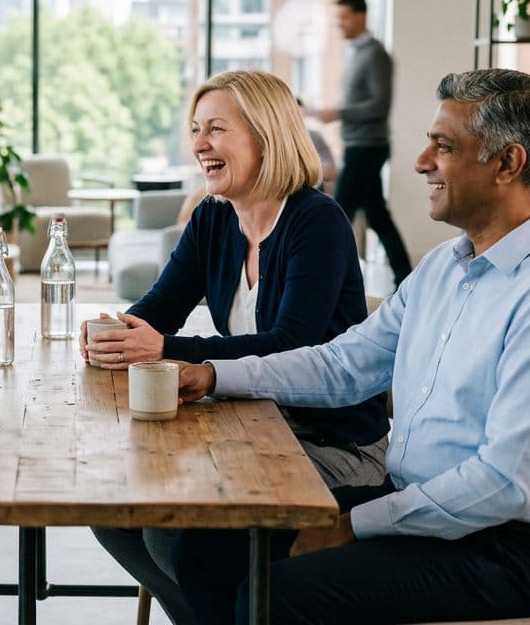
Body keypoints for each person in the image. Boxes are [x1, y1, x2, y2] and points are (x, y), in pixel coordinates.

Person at [171, 68, 530, 624]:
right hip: (416, 506)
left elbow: (505, 485)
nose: (420, 162)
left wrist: (353, 525)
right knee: (202, 548)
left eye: (444, 146)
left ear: (507, 163)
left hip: (500, 548)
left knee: (278, 593)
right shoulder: (445, 267)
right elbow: (343, 365)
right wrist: (213, 374)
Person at [80, 70, 389, 625]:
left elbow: (290, 344)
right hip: (250, 429)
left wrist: (163, 347)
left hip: (332, 446)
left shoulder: (317, 221)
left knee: (185, 542)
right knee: (119, 517)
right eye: (196, 129)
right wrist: (117, 331)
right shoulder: (213, 217)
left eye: (217, 129)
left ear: (266, 136)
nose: (199, 144)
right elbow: (158, 308)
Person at [307, 0, 413, 284]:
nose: (339, 25)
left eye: (343, 18)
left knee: (337, 213)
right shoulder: (357, 53)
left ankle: (322, 280)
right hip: (360, 145)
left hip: (367, 148)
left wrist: (336, 112)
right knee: (378, 216)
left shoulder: (375, 54)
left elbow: (379, 104)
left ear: (360, 16)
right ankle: (405, 276)